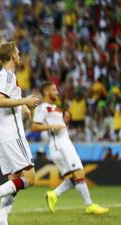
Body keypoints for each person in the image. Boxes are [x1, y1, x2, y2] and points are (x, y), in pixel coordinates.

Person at [0, 41, 40, 225]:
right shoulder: (8, 76)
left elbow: (3, 99)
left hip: (4, 133)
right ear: (12, 56)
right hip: (12, 134)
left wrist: (22, 106)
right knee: (31, 178)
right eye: (18, 53)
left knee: (14, 179)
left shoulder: (3, 77)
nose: (19, 56)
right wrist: (24, 100)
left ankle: (1, 221)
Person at [31, 81, 109, 215]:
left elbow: (58, 124)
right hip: (61, 145)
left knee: (73, 178)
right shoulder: (42, 108)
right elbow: (34, 127)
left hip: (62, 144)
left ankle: (53, 194)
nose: (57, 92)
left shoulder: (54, 107)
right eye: (54, 90)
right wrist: (52, 127)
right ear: (46, 92)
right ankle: (89, 205)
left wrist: (64, 120)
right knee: (79, 173)